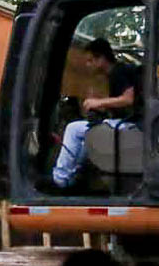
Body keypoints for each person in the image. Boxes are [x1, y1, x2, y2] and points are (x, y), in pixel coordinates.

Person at [50, 37, 142, 190]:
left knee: (73, 129)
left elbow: (128, 99)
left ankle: (60, 178)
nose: (88, 65)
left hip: (133, 126)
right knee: (87, 136)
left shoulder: (120, 71)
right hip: (129, 124)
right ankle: (72, 178)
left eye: (90, 60)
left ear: (101, 59)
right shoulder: (114, 74)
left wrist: (98, 102)